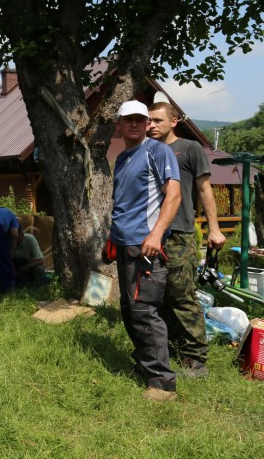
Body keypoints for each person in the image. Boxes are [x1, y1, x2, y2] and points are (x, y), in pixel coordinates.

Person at [108, 100, 181, 402]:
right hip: (125, 246)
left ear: (147, 123)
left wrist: (157, 233)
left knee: (145, 312)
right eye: (129, 120)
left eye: (141, 119)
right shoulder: (122, 159)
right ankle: (145, 367)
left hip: (146, 246)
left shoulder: (157, 151)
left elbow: (174, 195)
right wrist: (111, 238)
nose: (136, 124)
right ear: (120, 125)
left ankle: (162, 384)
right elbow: (123, 205)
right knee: (129, 310)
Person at [148, 101, 225, 379]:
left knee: (182, 295)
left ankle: (196, 359)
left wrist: (215, 229)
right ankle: (170, 348)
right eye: (149, 121)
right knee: (159, 297)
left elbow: (204, 189)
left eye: (157, 120)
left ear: (174, 121)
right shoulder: (146, 151)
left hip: (180, 233)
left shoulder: (189, 149)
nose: (151, 125)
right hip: (150, 235)